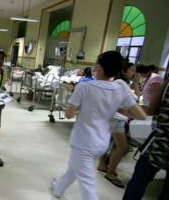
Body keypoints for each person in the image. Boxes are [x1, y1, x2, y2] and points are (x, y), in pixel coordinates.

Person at [50, 51, 146, 200]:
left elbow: (69, 114)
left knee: (87, 183)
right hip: (102, 142)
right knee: (75, 167)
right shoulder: (120, 88)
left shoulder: (84, 87)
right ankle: (58, 188)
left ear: (99, 67)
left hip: (83, 141)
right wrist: (117, 108)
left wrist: (82, 107)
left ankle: (59, 188)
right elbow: (141, 115)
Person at [122, 79, 169, 200]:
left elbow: (152, 109)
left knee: (138, 181)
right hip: (160, 143)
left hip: (160, 143)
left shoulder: (165, 83)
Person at [97, 62, 137, 188]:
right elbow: (136, 97)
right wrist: (137, 83)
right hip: (117, 118)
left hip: (114, 116)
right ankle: (110, 173)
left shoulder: (117, 82)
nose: (134, 73)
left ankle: (102, 164)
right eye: (131, 70)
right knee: (123, 147)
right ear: (124, 71)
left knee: (109, 142)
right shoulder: (121, 83)